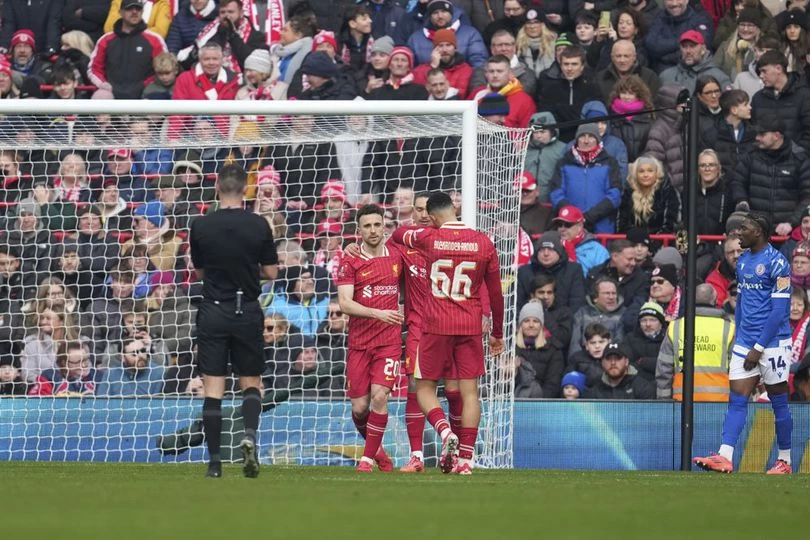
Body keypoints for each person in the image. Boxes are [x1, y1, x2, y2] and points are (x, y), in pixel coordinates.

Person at [392, 192, 504, 475]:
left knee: (424, 389)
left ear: (431, 216)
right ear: (455, 209)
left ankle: (444, 432)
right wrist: (497, 332)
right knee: (470, 394)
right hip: (469, 325)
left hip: (436, 325)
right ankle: (466, 461)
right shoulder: (484, 242)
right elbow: (495, 293)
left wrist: (428, 228)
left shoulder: (428, 238)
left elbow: (398, 234)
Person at [189, 164, 279, 479]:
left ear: (216, 187)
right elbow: (271, 273)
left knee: (213, 388)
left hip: (213, 310)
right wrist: (245, 269)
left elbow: (200, 274)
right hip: (246, 309)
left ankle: (214, 463)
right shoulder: (258, 225)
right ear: (246, 189)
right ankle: (249, 436)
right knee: (251, 383)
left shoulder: (200, 225)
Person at [694, 213, 794, 474]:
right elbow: (742, 304)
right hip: (745, 341)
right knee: (737, 398)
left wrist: (758, 348)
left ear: (758, 231)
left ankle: (785, 460)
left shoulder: (779, 263)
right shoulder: (743, 261)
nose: (738, 233)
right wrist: (740, 337)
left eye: (744, 228)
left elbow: (778, 312)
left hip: (773, 344)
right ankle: (725, 456)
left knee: (778, 401)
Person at [336, 204, 403, 473]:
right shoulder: (350, 259)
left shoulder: (398, 257)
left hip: (388, 342)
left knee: (379, 397)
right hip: (359, 344)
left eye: (378, 225)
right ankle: (379, 454)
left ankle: (366, 460)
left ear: (384, 226)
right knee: (360, 407)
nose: (373, 230)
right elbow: (344, 303)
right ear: (359, 230)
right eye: (367, 226)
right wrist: (379, 313)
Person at [729, 116, 810, 236]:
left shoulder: (799, 158)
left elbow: (807, 196)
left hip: (787, 233)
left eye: (762, 134)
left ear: (777, 136)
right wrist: (741, 199)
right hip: (756, 231)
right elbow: (737, 182)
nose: (757, 138)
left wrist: (791, 223)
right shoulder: (751, 156)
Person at [655, 284, 734, 401]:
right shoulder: (729, 329)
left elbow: (663, 370)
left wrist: (664, 404)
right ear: (715, 301)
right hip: (720, 404)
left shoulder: (676, 327)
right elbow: (740, 373)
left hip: (682, 405)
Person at [549, 123, 622, 234]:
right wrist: (572, 215)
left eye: (591, 136)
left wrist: (590, 216)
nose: (586, 140)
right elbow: (556, 193)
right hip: (570, 226)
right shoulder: (563, 163)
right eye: (582, 136)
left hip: (602, 226)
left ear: (598, 140)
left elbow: (615, 194)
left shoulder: (610, 162)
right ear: (577, 140)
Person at [87, 0, 168, 99]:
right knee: (101, 96)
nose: (134, 12)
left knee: (156, 96)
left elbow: (164, 68)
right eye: (129, 9)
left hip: (145, 92)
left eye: (138, 9)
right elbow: (94, 69)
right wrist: (103, 84)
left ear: (142, 12)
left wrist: (144, 85)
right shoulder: (105, 40)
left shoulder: (155, 39)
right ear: (120, 12)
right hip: (111, 92)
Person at [514, 300, 565, 398]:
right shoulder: (511, 349)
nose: (531, 325)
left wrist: (537, 401)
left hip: (541, 404)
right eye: (526, 321)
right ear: (520, 325)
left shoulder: (554, 350)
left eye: (536, 321)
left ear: (541, 325)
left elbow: (552, 385)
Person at [659, 31, 732, 93]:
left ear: (703, 49)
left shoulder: (719, 77)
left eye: (692, 46)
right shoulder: (666, 76)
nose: (688, 51)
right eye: (684, 46)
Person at [584, 341, 656, 398]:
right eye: (608, 359)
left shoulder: (643, 387)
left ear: (626, 362)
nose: (613, 363)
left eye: (617, 358)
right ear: (602, 362)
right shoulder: (595, 390)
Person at [554, 205, 610, 277]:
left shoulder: (597, 250)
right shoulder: (552, 247)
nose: (562, 229)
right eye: (559, 224)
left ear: (580, 226)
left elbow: (604, 278)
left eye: (568, 225)